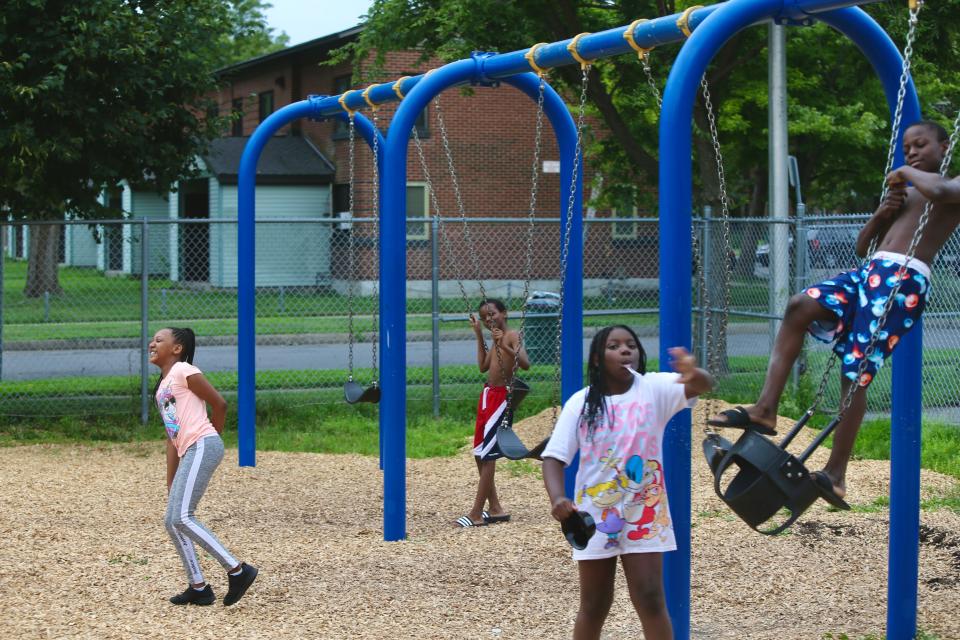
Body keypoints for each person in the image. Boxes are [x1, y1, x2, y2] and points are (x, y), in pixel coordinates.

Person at [709, 120, 960, 502]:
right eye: (906, 149)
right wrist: (881, 213)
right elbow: (864, 247)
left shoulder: (948, 188)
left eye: (920, 146)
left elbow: (940, 189)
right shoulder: (906, 194)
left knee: (854, 371)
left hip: (904, 282)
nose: (910, 154)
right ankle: (765, 409)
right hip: (870, 272)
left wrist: (905, 173)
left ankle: (836, 474)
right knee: (800, 306)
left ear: (945, 147)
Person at [541, 325, 713, 640]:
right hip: (593, 517)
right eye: (614, 346)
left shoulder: (654, 389)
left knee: (650, 598)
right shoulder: (580, 404)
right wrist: (557, 498)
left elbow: (701, 385)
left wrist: (693, 372)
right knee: (594, 605)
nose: (625, 350)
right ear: (596, 359)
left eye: (631, 344)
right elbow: (554, 458)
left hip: (644, 515)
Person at [150, 327, 258, 606]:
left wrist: (212, 439)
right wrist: (170, 478)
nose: (152, 343)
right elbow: (171, 435)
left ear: (177, 348)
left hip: (202, 444)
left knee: (183, 517)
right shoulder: (162, 387)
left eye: (159, 340)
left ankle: (237, 570)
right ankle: (198, 587)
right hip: (191, 450)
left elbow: (219, 404)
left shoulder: (183, 370)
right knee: (172, 521)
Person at [455, 298, 530, 528]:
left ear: (504, 313)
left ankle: (476, 512)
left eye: (493, 314)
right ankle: (495, 508)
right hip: (488, 395)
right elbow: (483, 366)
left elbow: (525, 363)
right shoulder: (494, 337)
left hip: (501, 397)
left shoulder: (511, 335)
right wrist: (479, 335)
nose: (489, 319)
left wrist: (503, 344)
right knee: (479, 452)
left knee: (489, 454)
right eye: (485, 317)